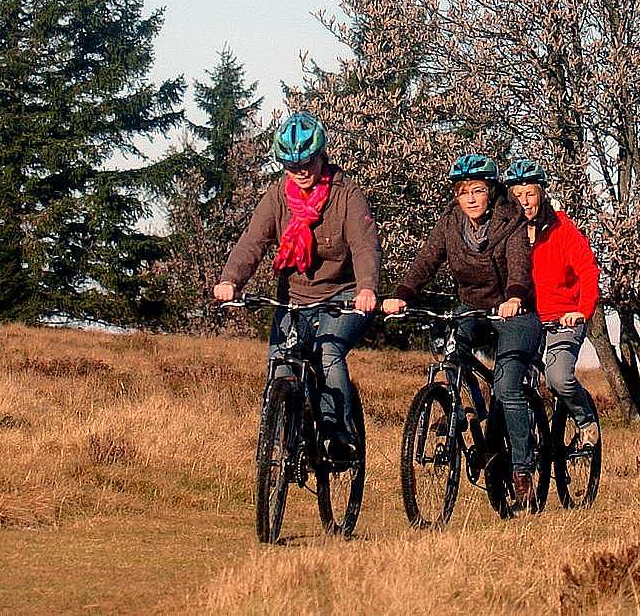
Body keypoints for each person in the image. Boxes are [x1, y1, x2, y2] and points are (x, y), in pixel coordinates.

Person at [214, 112, 379, 466]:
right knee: (280, 364)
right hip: (295, 298)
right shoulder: (277, 197)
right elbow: (252, 243)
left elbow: (365, 247)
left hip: (343, 296)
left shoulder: (346, 195)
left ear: (322, 157)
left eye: (307, 162)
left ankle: (338, 435)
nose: (301, 171)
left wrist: (367, 288)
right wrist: (230, 279)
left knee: (327, 354)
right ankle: (281, 439)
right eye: (291, 165)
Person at [382, 154, 543, 509]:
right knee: (449, 351)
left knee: (506, 385)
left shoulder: (511, 221)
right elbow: (426, 261)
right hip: (472, 310)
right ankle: (459, 408)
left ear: (491, 191)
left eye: (477, 191)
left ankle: (522, 472)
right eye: (463, 192)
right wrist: (402, 295)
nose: (470, 199)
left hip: (516, 314)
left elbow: (519, 265)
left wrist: (515, 297)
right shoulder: (451, 223)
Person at [504, 159, 600, 448]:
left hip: (563, 317)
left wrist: (581, 311)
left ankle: (585, 419)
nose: (524, 202)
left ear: (542, 193)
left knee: (558, 378)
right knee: (513, 379)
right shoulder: (508, 232)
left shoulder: (562, 228)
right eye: (517, 196)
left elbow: (588, 270)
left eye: (530, 194)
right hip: (527, 318)